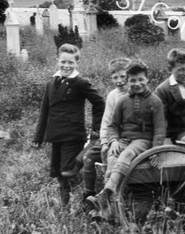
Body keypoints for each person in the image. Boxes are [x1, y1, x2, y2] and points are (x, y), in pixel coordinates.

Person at [87, 60, 166, 218]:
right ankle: (108, 208)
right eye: (133, 80)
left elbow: (159, 129)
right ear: (128, 81)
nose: (137, 84)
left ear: (147, 79)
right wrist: (114, 140)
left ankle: (106, 193)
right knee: (112, 156)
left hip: (143, 140)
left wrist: (156, 150)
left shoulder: (155, 101)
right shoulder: (123, 101)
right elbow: (113, 125)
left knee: (127, 154)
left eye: (140, 79)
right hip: (124, 138)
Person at [32, 43, 105, 208]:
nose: (66, 66)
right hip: (55, 134)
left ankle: (88, 151)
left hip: (73, 133)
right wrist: (38, 136)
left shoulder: (80, 82)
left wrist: (96, 129)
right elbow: (45, 109)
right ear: (57, 60)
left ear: (77, 63)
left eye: (70, 62)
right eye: (63, 62)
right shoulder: (52, 82)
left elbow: (99, 102)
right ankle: (66, 203)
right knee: (59, 172)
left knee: (68, 169)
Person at [80, 57, 131, 208]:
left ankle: (109, 196)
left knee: (113, 158)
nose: (120, 81)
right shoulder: (112, 96)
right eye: (115, 77)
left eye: (123, 76)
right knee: (88, 158)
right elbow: (106, 122)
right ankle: (89, 195)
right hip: (111, 137)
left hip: (126, 139)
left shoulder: (134, 93)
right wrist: (103, 141)